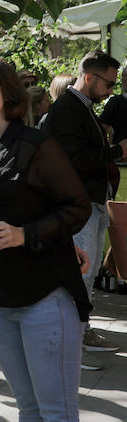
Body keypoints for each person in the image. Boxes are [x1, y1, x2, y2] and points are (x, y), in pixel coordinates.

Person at [0, 51, 91, 422]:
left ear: (6, 88)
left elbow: (77, 207)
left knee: (58, 413)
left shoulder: (34, 144)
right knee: (27, 408)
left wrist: (24, 235)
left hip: (45, 295)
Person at [41, 50, 126, 360]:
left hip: (91, 200)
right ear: (89, 77)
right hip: (77, 204)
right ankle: (74, 332)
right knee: (80, 270)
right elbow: (72, 160)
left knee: (85, 273)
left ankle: (80, 327)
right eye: (109, 84)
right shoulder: (67, 108)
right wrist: (115, 149)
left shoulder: (81, 107)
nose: (111, 91)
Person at [100, 63, 127, 144]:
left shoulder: (116, 102)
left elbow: (99, 130)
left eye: (124, 76)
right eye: (123, 75)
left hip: (121, 152)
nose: (123, 79)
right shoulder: (116, 102)